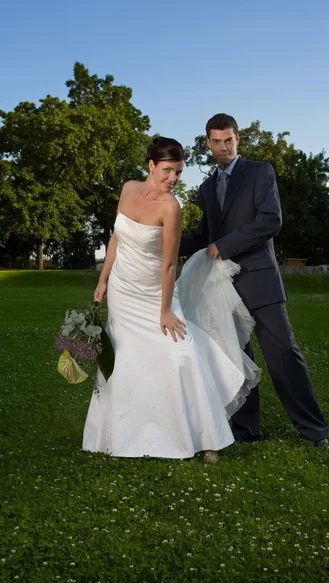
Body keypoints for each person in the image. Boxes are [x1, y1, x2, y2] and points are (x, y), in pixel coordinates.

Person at [82, 137, 260, 462]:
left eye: (178, 172)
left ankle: (208, 437)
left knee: (180, 352)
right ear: (150, 164)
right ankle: (121, 434)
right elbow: (116, 238)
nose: (172, 179)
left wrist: (165, 311)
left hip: (155, 292)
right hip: (123, 291)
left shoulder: (171, 207)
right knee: (126, 358)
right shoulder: (128, 189)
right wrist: (103, 279)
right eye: (167, 170)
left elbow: (168, 263)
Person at [179, 114, 329, 447]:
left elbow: (270, 221)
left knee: (284, 355)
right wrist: (163, 242)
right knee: (236, 357)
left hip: (259, 280)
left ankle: (314, 431)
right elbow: (205, 234)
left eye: (228, 140)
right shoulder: (207, 186)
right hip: (222, 286)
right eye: (216, 142)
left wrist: (225, 245)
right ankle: (247, 430)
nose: (223, 147)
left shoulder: (260, 172)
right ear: (207, 143)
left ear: (238, 139)